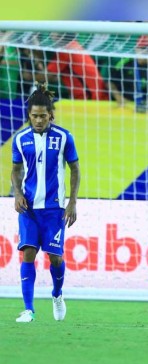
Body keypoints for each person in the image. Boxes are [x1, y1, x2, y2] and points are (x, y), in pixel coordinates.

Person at [11, 83, 81, 323]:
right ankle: (28, 309)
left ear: (51, 114)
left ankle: (57, 294)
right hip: (29, 208)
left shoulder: (63, 137)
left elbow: (75, 169)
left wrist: (72, 202)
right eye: (34, 116)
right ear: (29, 116)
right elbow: (16, 170)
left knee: (55, 258)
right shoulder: (20, 139)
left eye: (43, 116)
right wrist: (18, 193)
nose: (39, 120)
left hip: (54, 209)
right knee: (28, 253)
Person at [109, 35, 148, 112]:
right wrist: (119, 98)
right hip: (127, 104)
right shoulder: (125, 63)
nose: (147, 52)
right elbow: (110, 82)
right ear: (136, 49)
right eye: (144, 49)